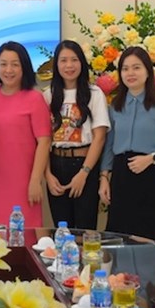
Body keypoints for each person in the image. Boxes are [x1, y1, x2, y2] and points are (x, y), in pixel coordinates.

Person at [99, 46, 155, 248]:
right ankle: (120, 279)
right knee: (121, 237)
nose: (130, 73)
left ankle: (153, 280)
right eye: (125, 69)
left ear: (147, 71)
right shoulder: (115, 107)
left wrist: (152, 158)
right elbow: (109, 146)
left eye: (136, 67)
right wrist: (104, 178)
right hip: (122, 178)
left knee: (151, 237)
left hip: (150, 177)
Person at [0, 41, 51, 227]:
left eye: (15, 64)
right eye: (3, 64)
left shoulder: (34, 98)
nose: (8, 70)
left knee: (24, 234)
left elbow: (44, 142)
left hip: (25, 181)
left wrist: (35, 181)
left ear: (24, 67)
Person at [44, 40, 110, 229]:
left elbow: (100, 138)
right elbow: (43, 140)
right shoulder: (48, 95)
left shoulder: (94, 93)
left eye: (74, 60)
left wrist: (84, 173)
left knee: (85, 229)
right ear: (57, 65)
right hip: (56, 165)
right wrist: (47, 175)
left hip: (85, 165)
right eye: (63, 60)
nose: (69, 65)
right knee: (62, 230)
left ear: (82, 63)